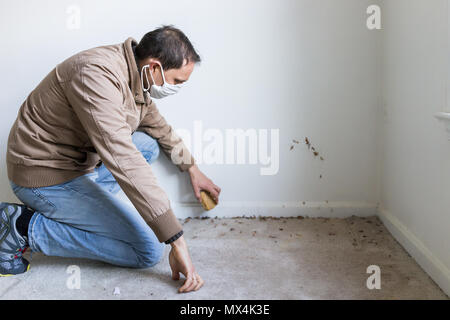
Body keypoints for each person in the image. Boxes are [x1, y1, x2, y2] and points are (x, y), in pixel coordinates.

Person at [0, 25, 220, 293]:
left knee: (147, 145)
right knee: (147, 251)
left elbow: (158, 127)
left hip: (76, 164)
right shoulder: (95, 76)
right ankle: (21, 228)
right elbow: (122, 157)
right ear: (154, 67)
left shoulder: (135, 77)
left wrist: (192, 168)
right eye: (177, 81)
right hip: (44, 175)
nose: (177, 88)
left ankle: (80, 210)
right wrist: (176, 240)